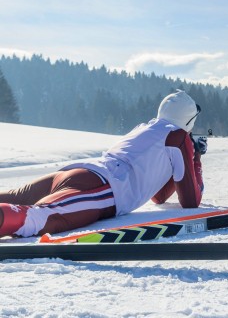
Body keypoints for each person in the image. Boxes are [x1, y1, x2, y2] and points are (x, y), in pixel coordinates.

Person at [0, 89, 207, 238]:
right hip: (104, 187)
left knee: (15, 196)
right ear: (189, 121)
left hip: (79, 172)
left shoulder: (146, 128)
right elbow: (191, 201)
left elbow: (158, 195)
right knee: (40, 218)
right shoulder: (178, 137)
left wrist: (184, 158)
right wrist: (195, 158)